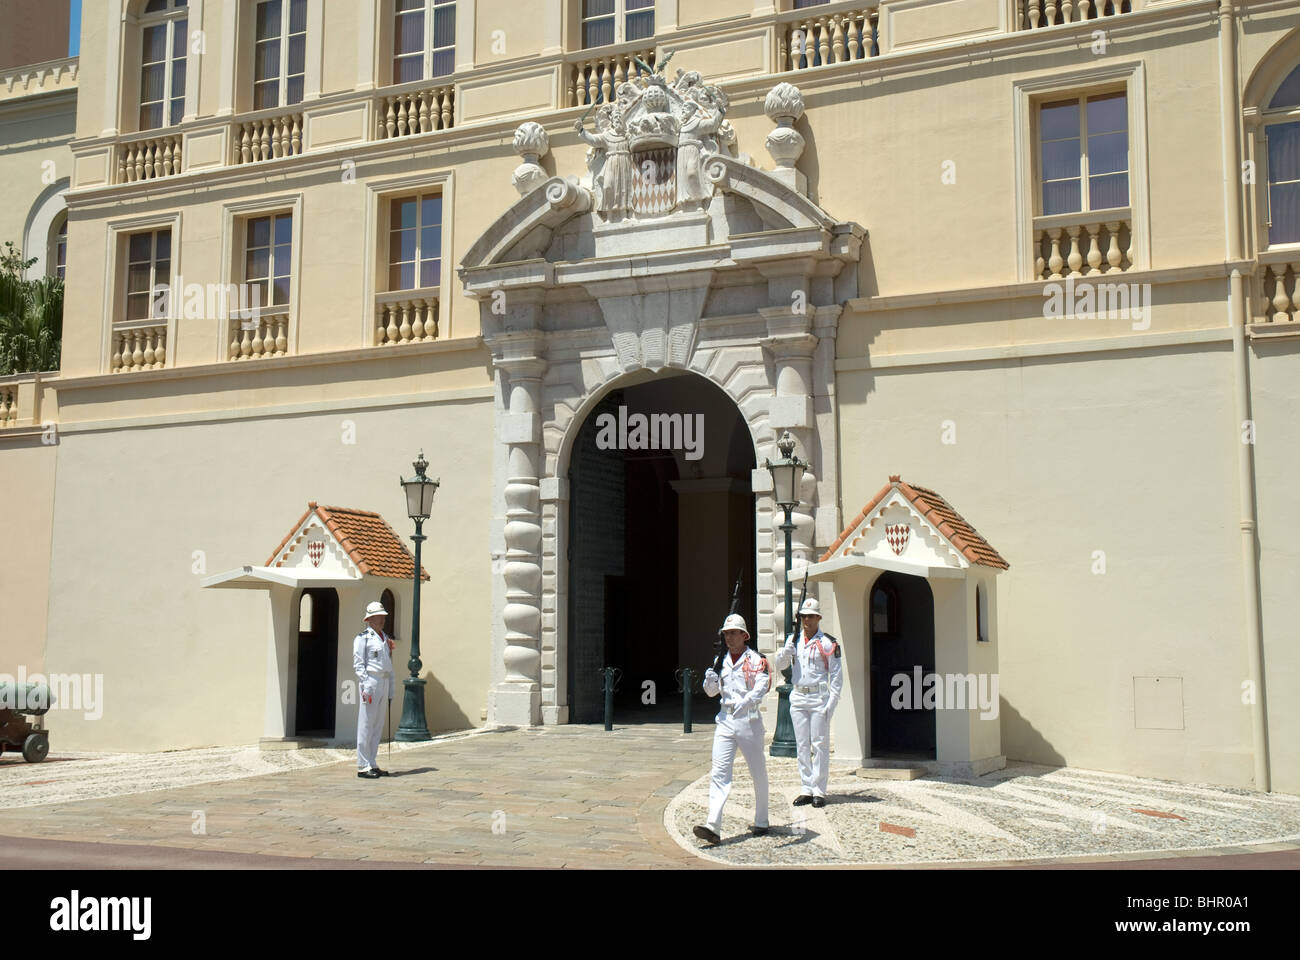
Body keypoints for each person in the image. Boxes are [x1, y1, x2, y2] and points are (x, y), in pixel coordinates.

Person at [693, 613, 770, 846]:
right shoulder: (720, 660)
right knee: (719, 772)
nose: (729, 637)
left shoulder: (757, 660)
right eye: (726, 633)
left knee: (757, 771)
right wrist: (709, 680)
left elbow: (763, 685)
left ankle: (762, 819)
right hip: (725, 720)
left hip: (749, 719)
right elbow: (710, 693)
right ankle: (713, 825)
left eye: (734, 633)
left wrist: (747, 700)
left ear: (744, 635)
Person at [774, 597, 842, 807]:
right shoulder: (793, 640)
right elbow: (780, 664)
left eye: (811, 616)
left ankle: (819, 790)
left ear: (819, 618)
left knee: (819, 744)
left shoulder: (827, 642)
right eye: (804, 616)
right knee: (802, 744)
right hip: (798, 696)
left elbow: (837, 678)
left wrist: (830, 705)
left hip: (818, 698)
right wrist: (785, 652)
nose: (807, 620)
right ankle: (806, 787)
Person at [353, 600, 394, 779]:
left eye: (383, 616)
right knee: (366, 724)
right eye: (378, 617)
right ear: (370, 619)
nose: (382, 619)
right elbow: (358, 663)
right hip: (371, 680)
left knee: (378, 724)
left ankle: (372, 762)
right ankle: (362, 765)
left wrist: (391, 686)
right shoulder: (363, 638)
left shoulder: (385, 638)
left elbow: (388, 664)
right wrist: (365, 684)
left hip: (383, 681)